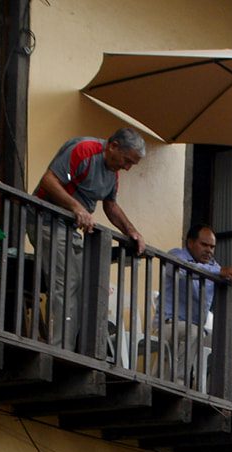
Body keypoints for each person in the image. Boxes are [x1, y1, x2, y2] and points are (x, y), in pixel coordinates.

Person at [33, 129, 147, 353]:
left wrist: (132, 230)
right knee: (65, 284)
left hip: (71, 228)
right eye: (127, 161)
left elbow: (110, 205)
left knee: (85, 285)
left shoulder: (112, 172)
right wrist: (77, 208)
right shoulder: (85, 150)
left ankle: (75, 348)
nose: (127, 167)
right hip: (46, 219)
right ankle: (59, 350)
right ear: (113, 146)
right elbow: (49, 180)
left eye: (132, 164)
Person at [161, 225, 232, 385]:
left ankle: (220, 388)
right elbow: (187, 270)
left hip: (197, 332)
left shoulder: (215, 267)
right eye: (204, 245)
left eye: (212, 246)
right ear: (190, 243)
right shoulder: (176, 255)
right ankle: (178, 384)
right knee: (194, 331)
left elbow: (228, 279)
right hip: (169, 325)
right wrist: (221, 272)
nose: (209, 250)